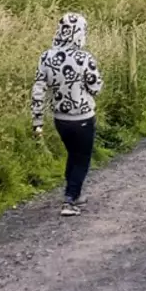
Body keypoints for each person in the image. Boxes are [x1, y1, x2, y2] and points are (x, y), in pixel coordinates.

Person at [31, 13, 103, 216]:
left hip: (60, 119)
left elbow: (38, 90)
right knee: (82, 158)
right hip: (83, 117)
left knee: (73, 154)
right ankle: (70, 199)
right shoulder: (84, 58)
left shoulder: (46, 57)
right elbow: (96, 87)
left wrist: (37, 120)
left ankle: (74, 191)